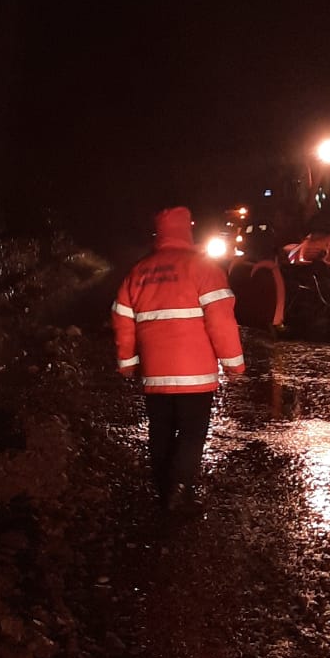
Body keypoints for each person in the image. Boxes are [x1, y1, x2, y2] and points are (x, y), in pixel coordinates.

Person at [112, 206, 246, 510]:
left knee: (160, 430)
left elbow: (121, 319)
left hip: (155, 375)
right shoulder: (204, 269)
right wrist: (234, 362)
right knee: (191, 433)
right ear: (187, 231)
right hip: (195, 378)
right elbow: (222, 322)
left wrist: (128, 363)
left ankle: (162, 488)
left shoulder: (139, 271)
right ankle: (180, 489)